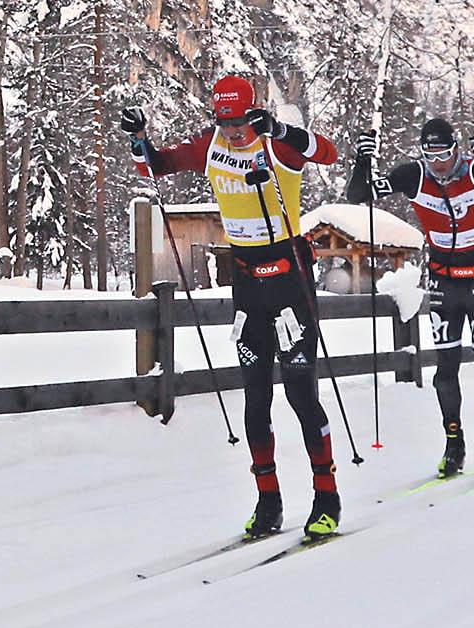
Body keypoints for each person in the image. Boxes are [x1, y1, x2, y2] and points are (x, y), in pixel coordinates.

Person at [128, 76, 345, 541]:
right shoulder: (211, 144)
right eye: (223, 123)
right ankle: (268, 501)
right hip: (247, 283)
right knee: (255, 399)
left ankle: (326, 495)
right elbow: (156, 166)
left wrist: (281, 132)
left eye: (239, 123)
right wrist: (137, 138)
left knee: (301, 394)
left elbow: (327, 154)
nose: (232, 132)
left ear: (254, 114)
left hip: (289, 279)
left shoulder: (276, 145)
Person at [366, 116, 474, 477]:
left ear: (456, 150)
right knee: (445, 369)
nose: (438, 164)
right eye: (430, 155)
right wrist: (363, 159)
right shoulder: (414, 175)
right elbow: (360, 194)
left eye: (445, 154)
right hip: (443, 281)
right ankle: (454, 446)